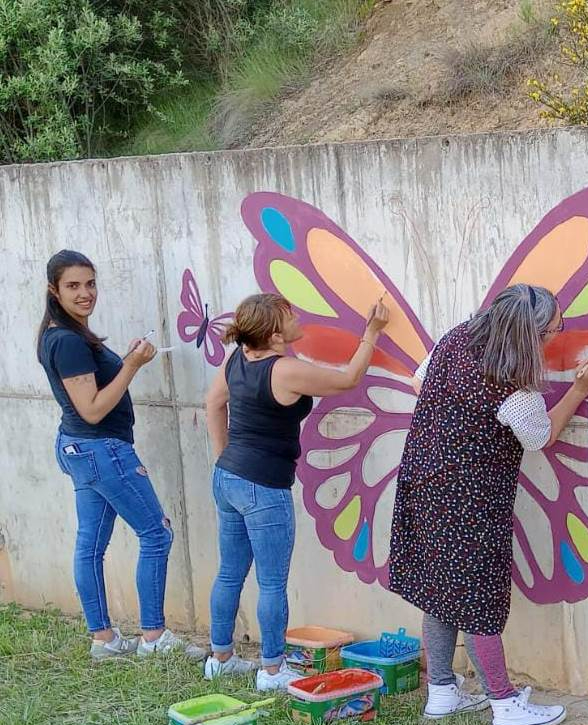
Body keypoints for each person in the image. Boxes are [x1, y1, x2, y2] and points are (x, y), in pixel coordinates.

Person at [389, 284, 588, 725]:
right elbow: (542, 437)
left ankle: (442, 692)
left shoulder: (456, 337)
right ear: (531, 333)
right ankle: (504, 703)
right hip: (471, 499)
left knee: (438, 585)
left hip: (423, 477)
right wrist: (580, 388)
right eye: (553, 332)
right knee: (480, 594)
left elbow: (417, 381)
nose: (555, 339)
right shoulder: (515, 386)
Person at [202, 293, 389, 692]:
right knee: (271, 581)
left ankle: (221, 659)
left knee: (230, 571)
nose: (297, 316)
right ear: (273, 334)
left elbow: (213, 403)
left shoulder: (236, 358)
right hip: (263, 485)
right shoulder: (285, 370)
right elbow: (348, 379)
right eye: (290, 315)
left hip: (229, 478)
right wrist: (371, 333)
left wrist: (225, 459)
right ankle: (272, 670)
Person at [37, 250, 204, 662]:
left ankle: (104, 639)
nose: (85, 293)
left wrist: (125, 360)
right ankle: (153, 635)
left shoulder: (67, 335)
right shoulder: (66, 340)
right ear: (53, 290)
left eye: (90, 283)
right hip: (101, 449)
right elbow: (92, 408)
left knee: (90, 545)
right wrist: (132, 364)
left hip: (82, 448)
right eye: (73, 286)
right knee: (156, 533)